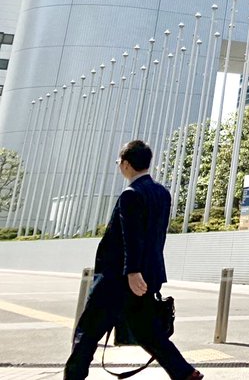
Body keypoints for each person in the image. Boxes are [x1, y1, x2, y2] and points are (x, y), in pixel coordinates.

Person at [64, 139, 202, 380]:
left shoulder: (131, 194)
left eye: (119, 162)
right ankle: (186, 374)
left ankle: (73, 377)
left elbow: (133, 237)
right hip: (148, 276)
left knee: (87, 331)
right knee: (148, 332)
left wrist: (132, 271)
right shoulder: (162, 193)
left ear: (126, 164)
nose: (119, 166)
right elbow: (155, 237)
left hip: (118, 278)